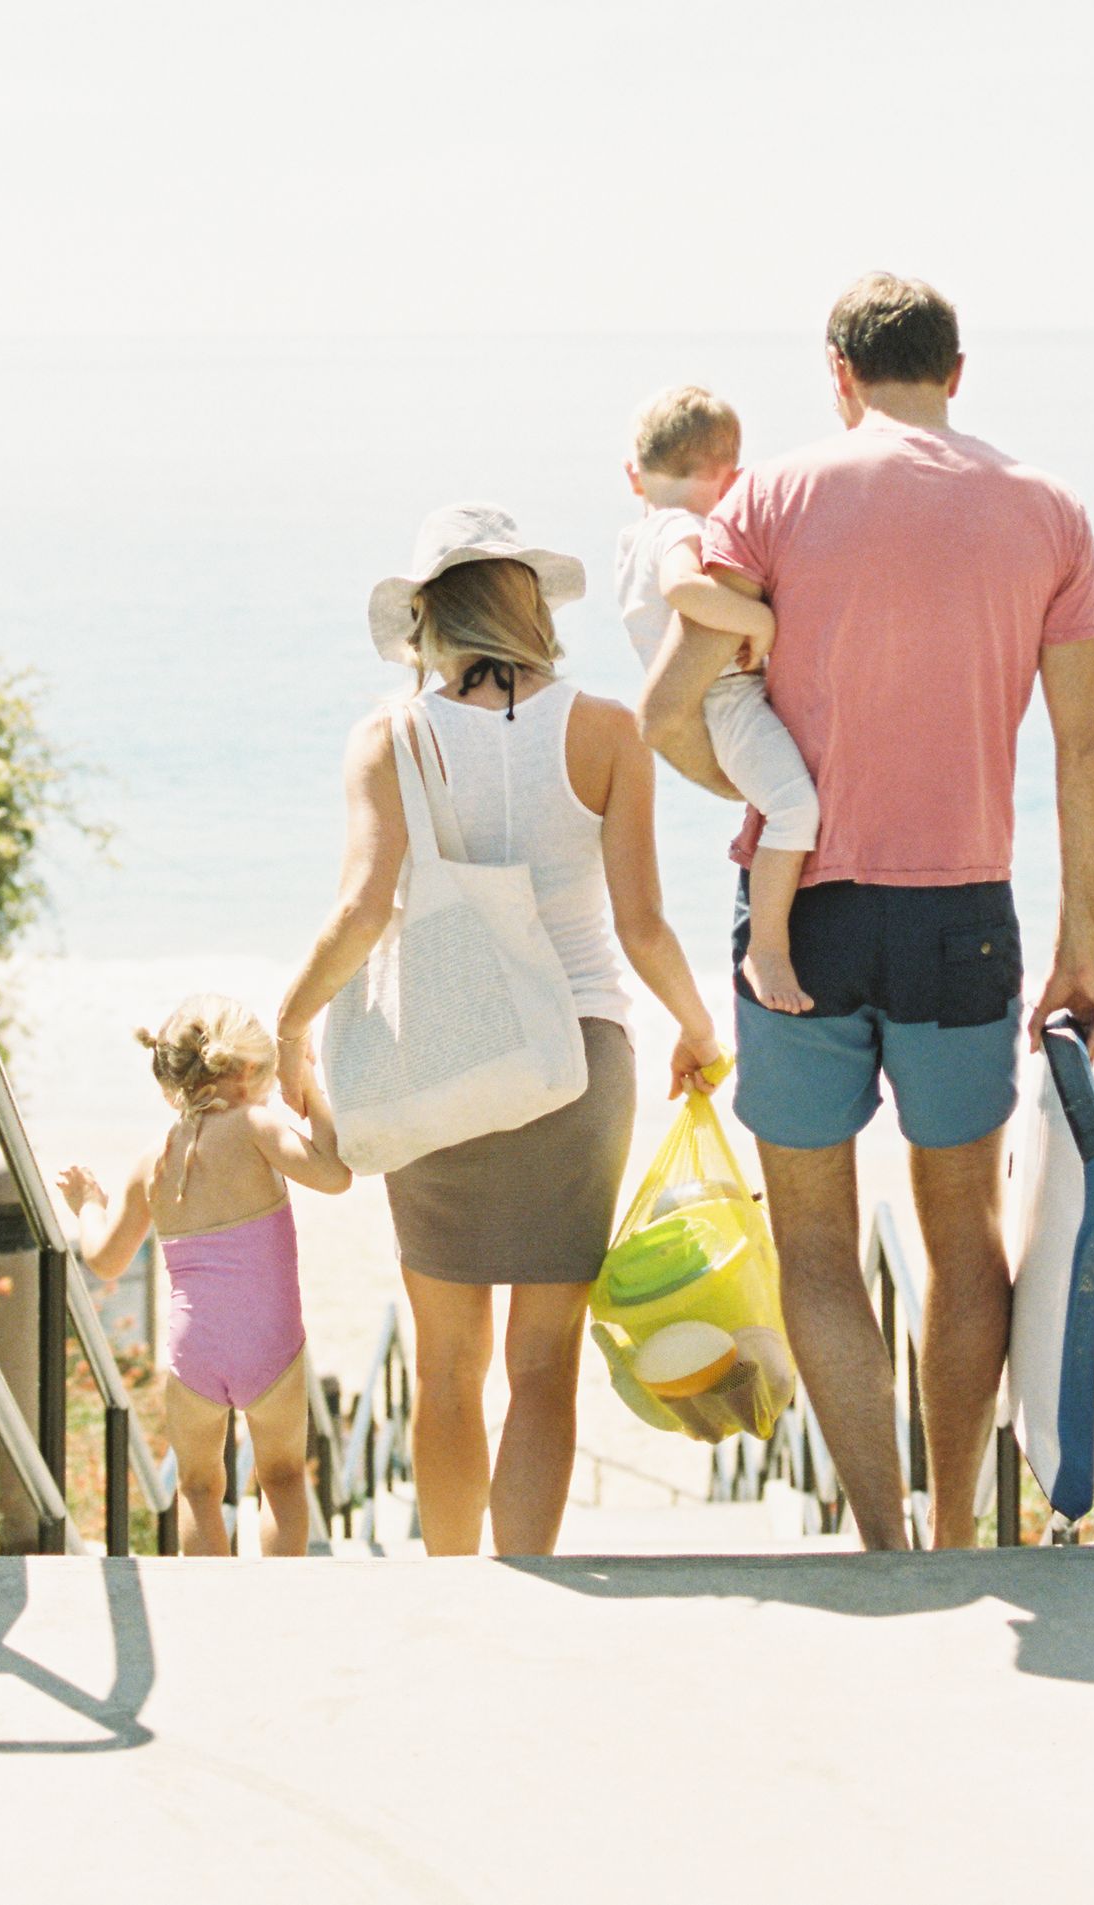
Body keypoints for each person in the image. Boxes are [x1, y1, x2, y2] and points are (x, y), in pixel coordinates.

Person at [640, 273, 1094, 1552]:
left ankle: (883, 1543)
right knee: (961, 1234)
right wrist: (1081, 947)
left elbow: (672, 706)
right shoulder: (1047, 508)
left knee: (813, 1241)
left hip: (803, 911)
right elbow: (1086, 749)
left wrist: (749, 796)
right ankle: (957, 1525)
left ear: (837, 374)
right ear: (958, 371)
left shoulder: (776, 495)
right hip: (964, 912)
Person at [276, 504, 724, 1558]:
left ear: (428, 624)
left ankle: (450, 1584)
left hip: (438, 1057)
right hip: (576, 1060)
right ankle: (530, 1579)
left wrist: (292, 1025)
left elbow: (363, 909)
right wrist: (699, 1029)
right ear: (533, 610)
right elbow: (643, 924)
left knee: (445, 1366)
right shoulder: (608, 729)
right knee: (541, 1365)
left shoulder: (391, 735)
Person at [60, 995, 351, 1557]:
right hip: (270, 1346)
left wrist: (87, 1205)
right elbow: (335, 1175)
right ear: (246, 1070)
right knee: (283, 1479)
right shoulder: (255, 1127)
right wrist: (311, 1090)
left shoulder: (153, 1161)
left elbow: (104, 1261)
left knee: (197, 1488)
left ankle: (212, 1610)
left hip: (194, 1353)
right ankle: (281, 1605)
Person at [618, 383, 821, 1014]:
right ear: (732, 478)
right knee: (793, 811)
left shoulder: (636, 535)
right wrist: (755, 622)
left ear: (633, 475)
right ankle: (767, 947)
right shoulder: (685, 527)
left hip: (717, 697)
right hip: (727, 694)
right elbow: (683, 586)